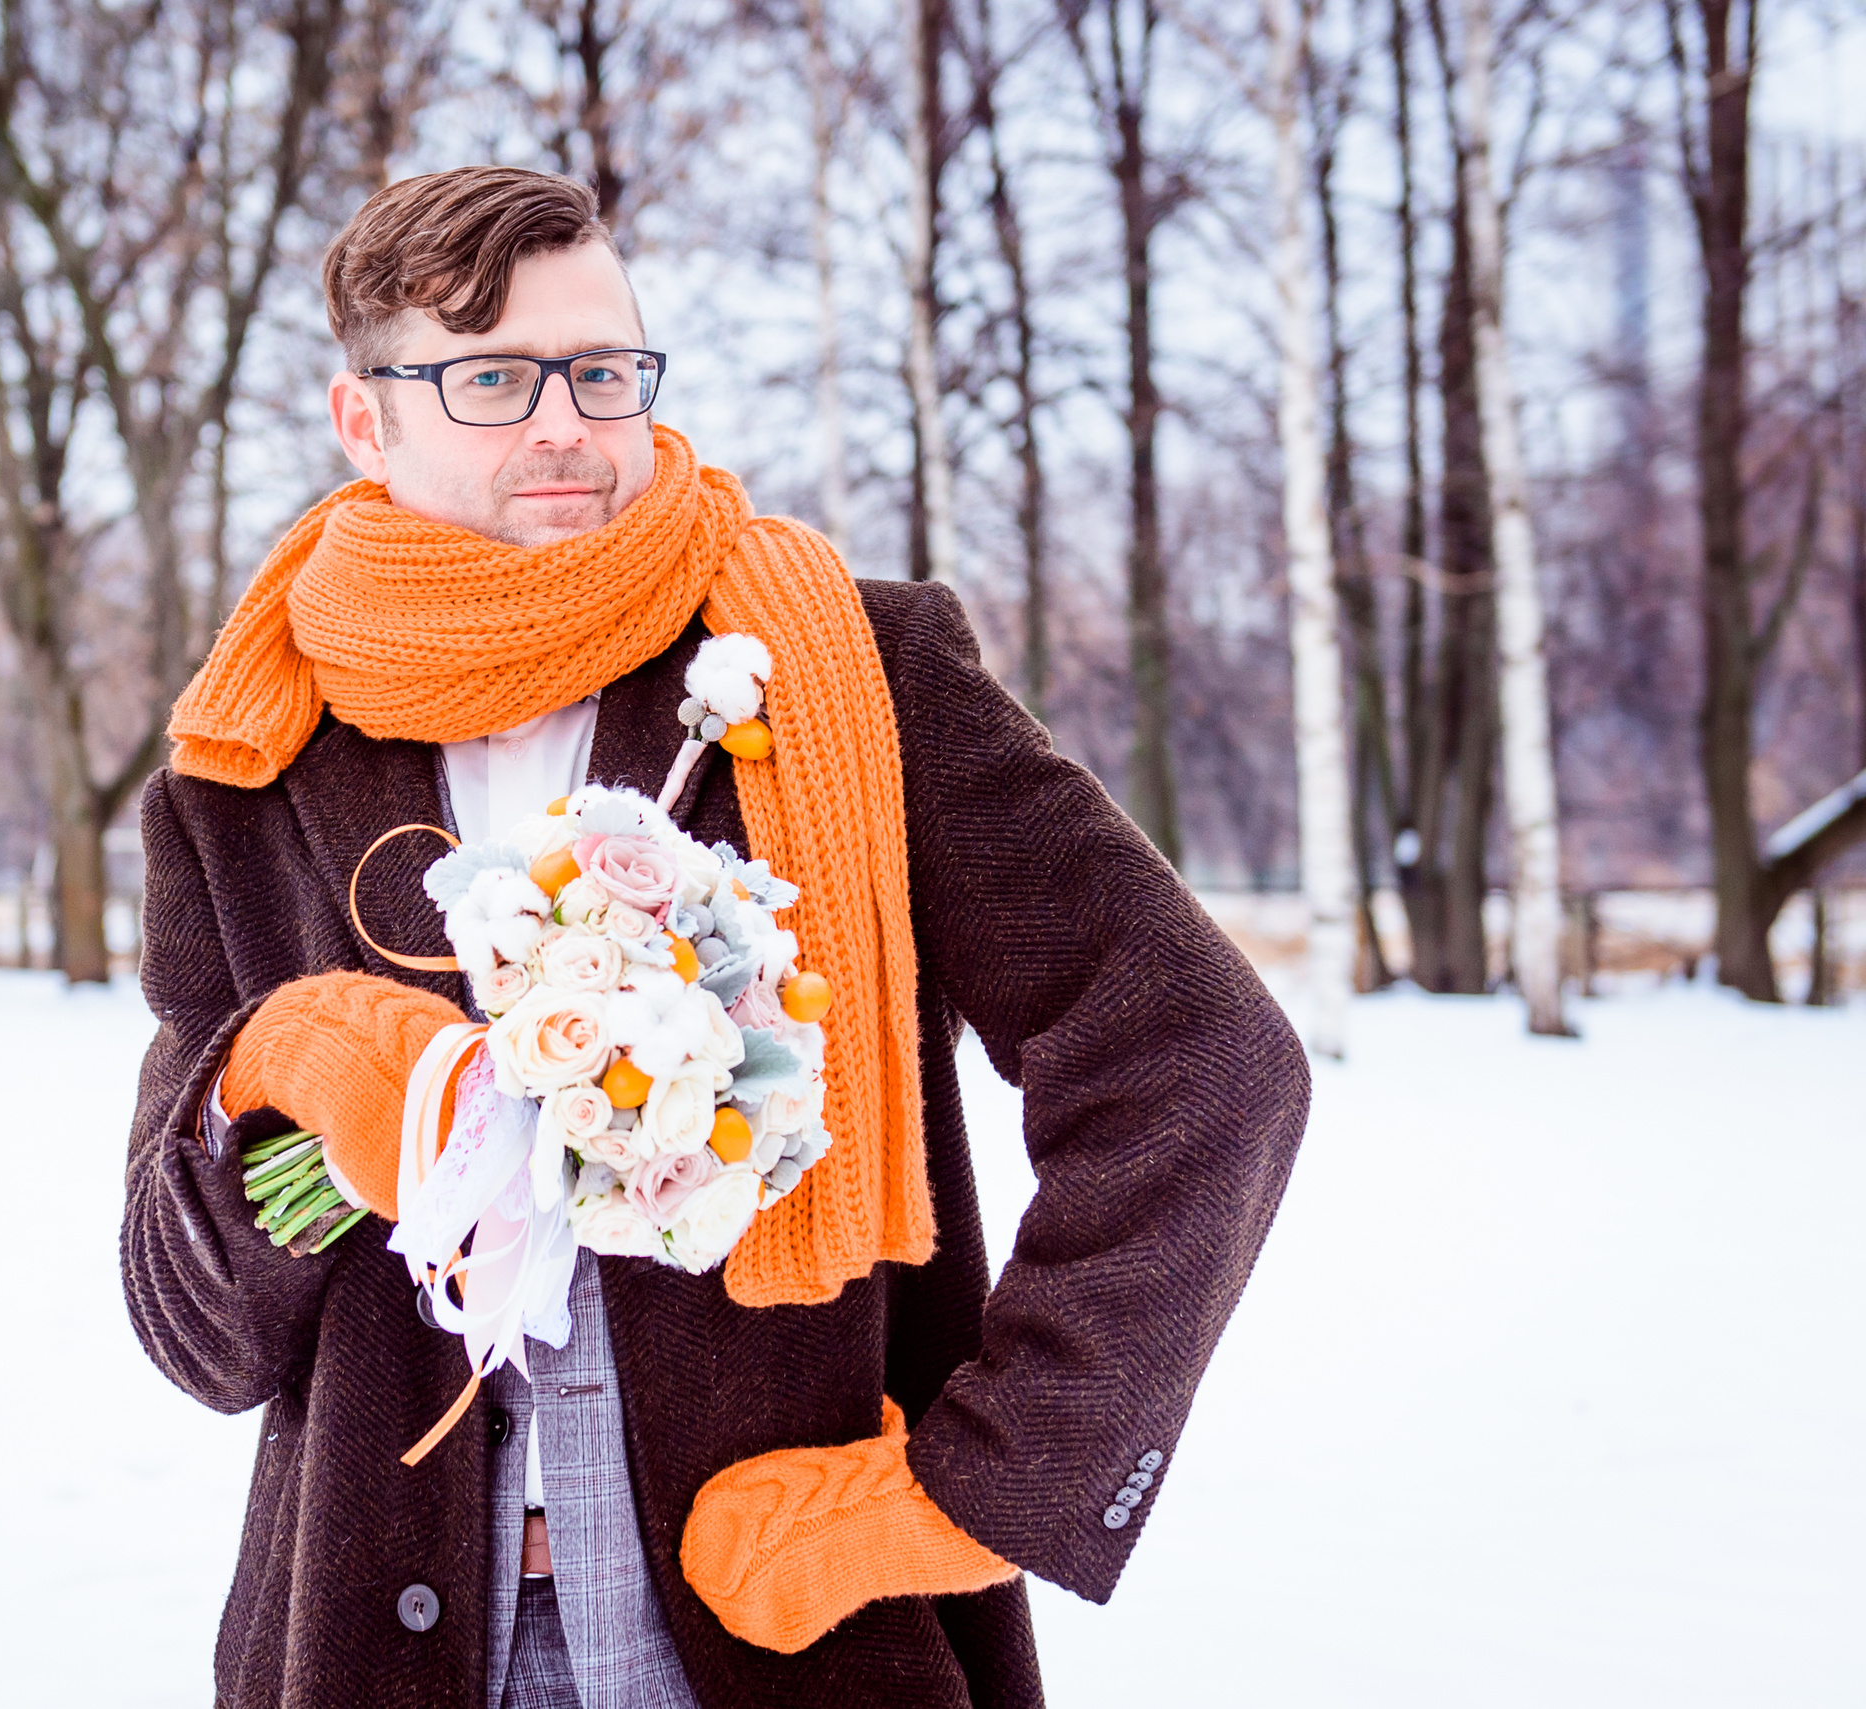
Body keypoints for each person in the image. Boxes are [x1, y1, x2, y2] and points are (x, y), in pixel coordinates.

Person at [122, 165, 1307, 1709]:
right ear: (367, 421)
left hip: (786, 1638)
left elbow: (1202, 1063)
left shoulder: (850, 669)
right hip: (371, 1651)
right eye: (492, 379)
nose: (565, 424)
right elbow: (197, 1336)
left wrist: (964, 1489)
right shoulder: (249, 768)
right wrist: (272, 1070)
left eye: (601, 371)